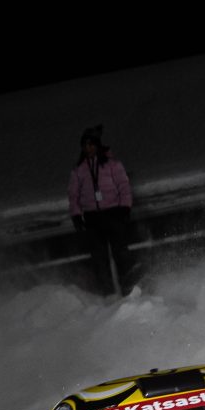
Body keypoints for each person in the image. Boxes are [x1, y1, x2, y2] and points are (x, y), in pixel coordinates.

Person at [68, 125, 136, 295]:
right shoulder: (79, 171)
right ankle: (107, 294)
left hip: (113, 214)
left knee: (121, 254)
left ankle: (129, 290)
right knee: (99, 259)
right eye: (85, 145)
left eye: (91, 145)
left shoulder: (113, 165)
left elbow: (124, 187)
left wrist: (125, 207)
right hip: (92, 218)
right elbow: (73, 195)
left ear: (97, 146)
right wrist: (76, 215)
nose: (88, 148)